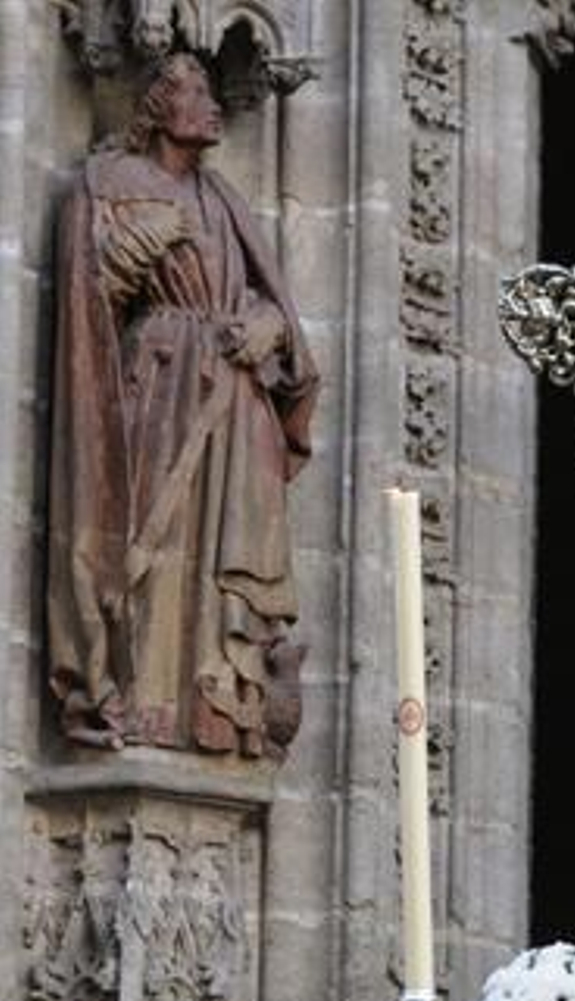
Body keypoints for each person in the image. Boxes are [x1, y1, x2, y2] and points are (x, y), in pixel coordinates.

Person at [48, 53, 318, 757]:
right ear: (156, 105)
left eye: (211, 90)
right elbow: (89, 295)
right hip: (162, 388)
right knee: (156, 541)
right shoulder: (109, 181)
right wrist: (142, 243)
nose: (212, 103)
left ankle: (221, 706)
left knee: (232, 552)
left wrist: (269, 326)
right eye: (195, 91)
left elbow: (270, 299)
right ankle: (146, 700)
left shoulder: (222, 197)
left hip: (237, 394)